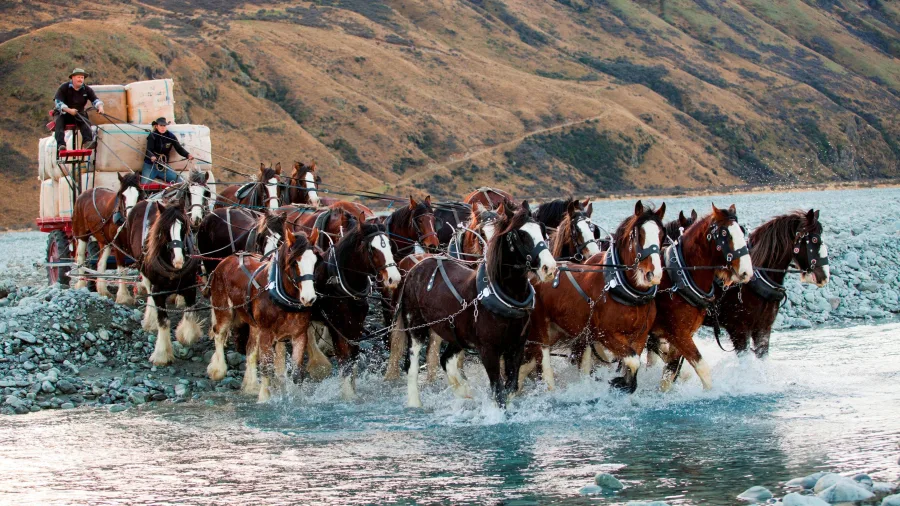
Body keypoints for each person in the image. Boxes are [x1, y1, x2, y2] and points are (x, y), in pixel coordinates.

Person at [53, 68, 104, 152]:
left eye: (82, 78)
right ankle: (61, 144)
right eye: (78, 77)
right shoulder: (64, 87)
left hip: (78, 113)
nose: (80, 79)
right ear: (73, 78)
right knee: (59, 121)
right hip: (63, 112)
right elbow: (58, 102)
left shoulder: (87, 89)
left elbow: (95, 100)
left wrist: (100, 107)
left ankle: (87, 142)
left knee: (85, 121)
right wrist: (69, 110)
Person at [142, 118, 193, 183]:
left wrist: (187, 155)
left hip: (163, 166)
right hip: (150, 166)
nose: (163, 128)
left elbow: (179, 148)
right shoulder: (152, 136)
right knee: (144, 185)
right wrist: (152, 156)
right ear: (156, 126)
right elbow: (148, 150)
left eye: (164, 126)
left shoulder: (171, 136)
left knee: (181, 181)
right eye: (161, 125)